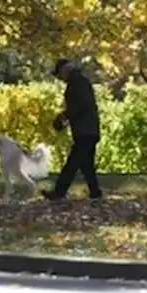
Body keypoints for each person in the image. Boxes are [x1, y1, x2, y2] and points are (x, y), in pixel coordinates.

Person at [42, 58, 102, 201]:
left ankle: (59, 192)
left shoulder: (77, 83)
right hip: (89, 129)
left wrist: (64, 117)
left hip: (85, 130)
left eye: (59, 74)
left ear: (65, 70)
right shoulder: (80, 82)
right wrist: (66, 118)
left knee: (73, 163)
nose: (59, 78)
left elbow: (80, 106)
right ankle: (95, 193)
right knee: (86, 165)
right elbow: (81, 107)